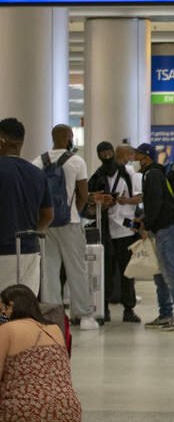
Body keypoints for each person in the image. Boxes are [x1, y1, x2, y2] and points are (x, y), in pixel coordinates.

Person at [32, 125, 98, 331]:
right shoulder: (76, 161)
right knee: (76, 269)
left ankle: (54, 316)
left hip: (46, 224)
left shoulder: (38, 161)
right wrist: (74, 212)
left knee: (49, 271)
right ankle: (84, 315)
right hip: (71, 223)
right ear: (69, 137)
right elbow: (83, 195)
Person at [0, 284, 82, 421]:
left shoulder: (7, 329)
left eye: (3, 310)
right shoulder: (55, 329)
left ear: (11, 306)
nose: (2, 316)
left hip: (25, 409)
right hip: (68, 408)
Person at [134, 143, 174, 331]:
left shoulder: (152, 174)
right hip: (164, 227)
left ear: (146, 158)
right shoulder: (154, 173)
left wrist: (146, 224)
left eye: (138, 157)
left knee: (170, 271)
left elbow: (155, 203)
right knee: (160, 274)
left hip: (169, 228)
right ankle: (166, 313)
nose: (136, 161)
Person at [87, 142, 142, 323]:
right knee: (105, 272)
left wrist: (125, 201)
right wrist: (102, 203)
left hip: (126, 229)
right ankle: (104, 308)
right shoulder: (97, 176)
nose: (107, 156)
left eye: (109, 152)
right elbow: (88, 203)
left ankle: (129, 308)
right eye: (103, 153)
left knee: (127, 272)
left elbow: (139, 196)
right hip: (105, 230)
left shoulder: (128, 173)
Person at [0, 118, 53, 294]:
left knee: (2, 305)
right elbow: (48, 215)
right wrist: (32, 233)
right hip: (29, 252)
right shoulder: (38, 174)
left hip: (2, 252)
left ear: (2, 140)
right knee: (24, 303)